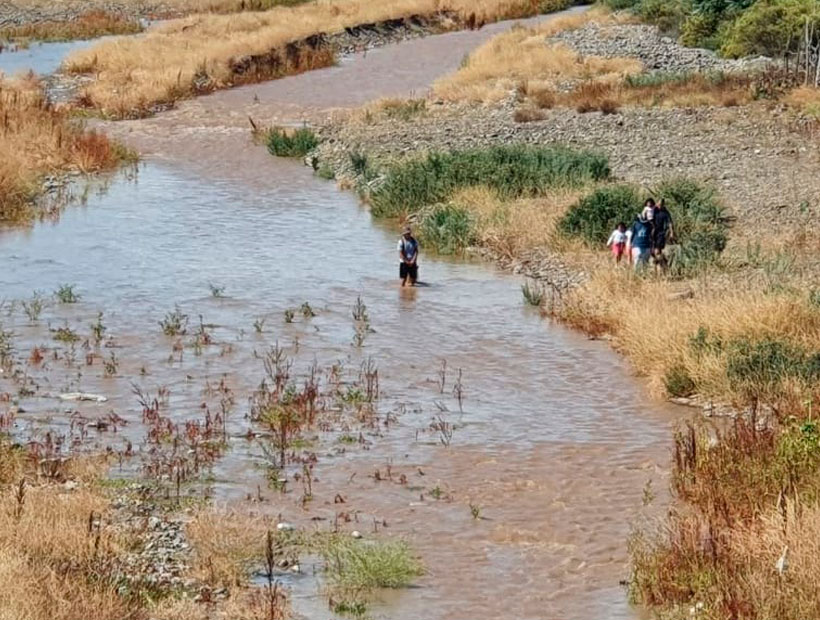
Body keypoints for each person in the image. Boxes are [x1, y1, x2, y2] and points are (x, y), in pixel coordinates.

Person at [652, 198, 674, 272]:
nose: (659, 206)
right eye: (658, 204)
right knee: (654, 251)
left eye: (661, 204)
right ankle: (661, 265)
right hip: (652, 232)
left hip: (661, 233)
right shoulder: (653, 210)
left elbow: (670, 222)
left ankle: (660, 267)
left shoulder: (665, 212)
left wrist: (671, 232)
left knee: (658, 250)